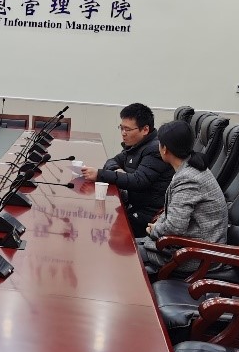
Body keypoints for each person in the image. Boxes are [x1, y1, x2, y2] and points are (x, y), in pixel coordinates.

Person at [137, 120, 229, 276]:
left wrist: (155, 230)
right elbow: (174, 212)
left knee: (127, 253)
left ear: (164, 149)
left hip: (196, 256)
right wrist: (158, 225)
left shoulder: (188, 178)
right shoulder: (190, 167)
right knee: (129, 246)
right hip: (190, 246)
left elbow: (175, 227)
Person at [80, 103, 173, 234]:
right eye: (121, 128)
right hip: (133, 205)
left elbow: (138, 181)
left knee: (99, 224)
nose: (123, 133)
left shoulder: (155, 150)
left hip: (148, 217)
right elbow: (112, 161)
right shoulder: (136, 144)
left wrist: (99, 174)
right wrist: (117, 171)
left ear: (145, 130)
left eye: (127, 129)